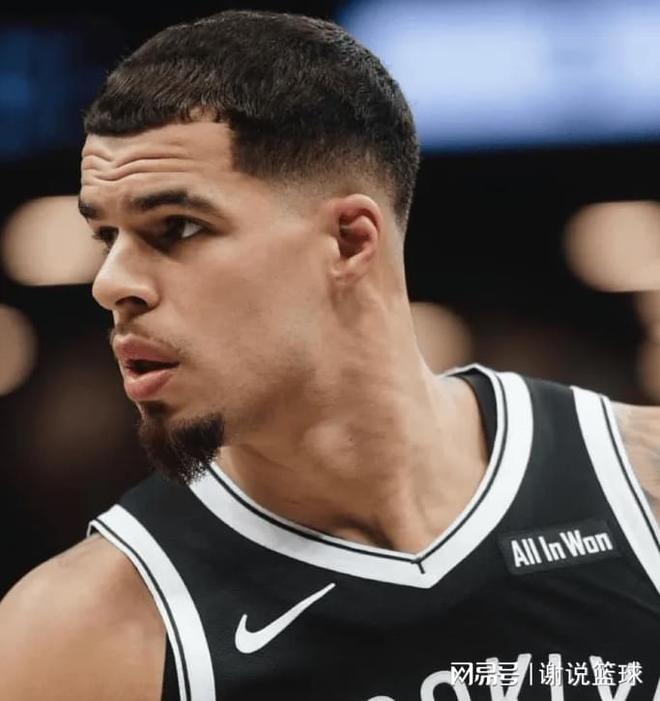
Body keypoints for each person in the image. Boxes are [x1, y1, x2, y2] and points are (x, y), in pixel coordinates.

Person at [0, 10, 659, 701]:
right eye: (107, 237)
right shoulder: (71, 638)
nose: (111, 284)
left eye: (177, 227)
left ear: (349, 241)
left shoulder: (640, 489)